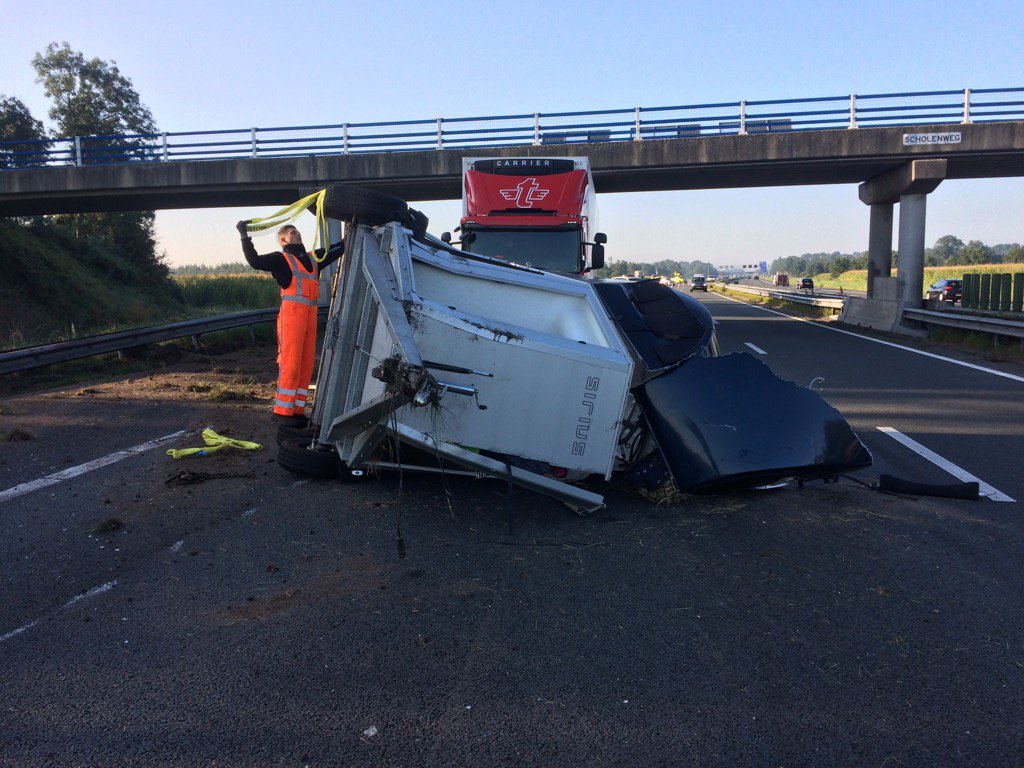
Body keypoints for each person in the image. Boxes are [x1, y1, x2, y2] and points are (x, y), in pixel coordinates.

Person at [236, 221, 344, 426]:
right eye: (292, 232)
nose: (298, 234)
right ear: (283, 239)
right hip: (291, 318)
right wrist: (244, 236)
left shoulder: (313, 258)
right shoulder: (281, 259)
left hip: (310, 318)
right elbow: (255, 261)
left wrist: (352, 229)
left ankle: (297, 409)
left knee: (306, 364)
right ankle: (282, 411)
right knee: (291, 363)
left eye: (298, 231)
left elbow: (337, 250)